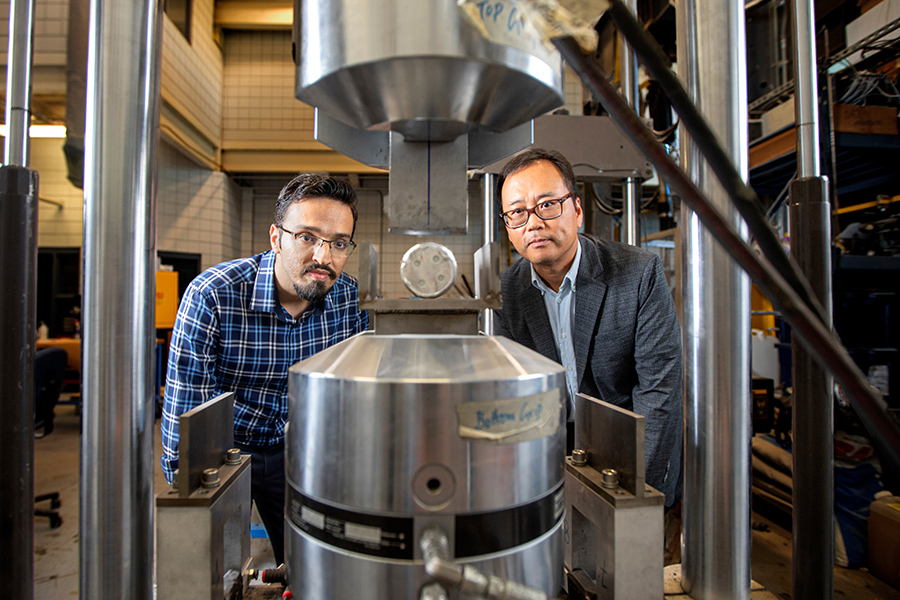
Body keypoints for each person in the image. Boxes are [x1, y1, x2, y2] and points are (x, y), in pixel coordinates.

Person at [161, 173, 369, 565]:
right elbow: (186, 414)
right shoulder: (214, 296)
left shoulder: (351, 302)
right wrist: (190, 500)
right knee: (206, 571)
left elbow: (358, 400)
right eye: (307, 237)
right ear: (276, 237)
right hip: (225, 453)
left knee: (315, 566)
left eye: (339, 243)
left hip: (303, 450)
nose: (323, 258)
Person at [493, 148, 683, 509]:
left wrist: (639, 495)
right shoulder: (505, 295)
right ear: (508, 226)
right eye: (517, 212)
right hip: (548, 477)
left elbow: (659, 394)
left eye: (547, 205)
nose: (533, 223)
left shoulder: (638, 274)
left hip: (629, 467)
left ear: (577, 210)